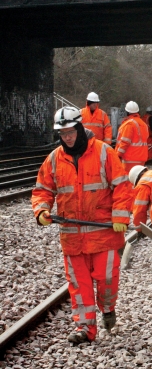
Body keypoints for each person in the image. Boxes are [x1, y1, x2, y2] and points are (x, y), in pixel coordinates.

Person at [32, 106, 131, 344]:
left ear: (79, 128)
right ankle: (85, 328)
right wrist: (41, 210)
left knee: (107, 280)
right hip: (72, 236)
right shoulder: (55, 158)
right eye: (62, 133)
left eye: (70, 131)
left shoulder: (104, 153)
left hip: (103, 232)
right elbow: (43, 190)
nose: (67, 137)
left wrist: (120, 217)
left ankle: (107, 309)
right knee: (79, 284)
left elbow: (122, 186)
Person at [115, 101, 149, 175]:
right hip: (141, 158)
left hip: (130, 159)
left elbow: (125, 142)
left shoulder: (129, 124)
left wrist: (117, 156)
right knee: (137, 179)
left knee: (128, 181)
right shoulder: (143, 124)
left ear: (127, 112)